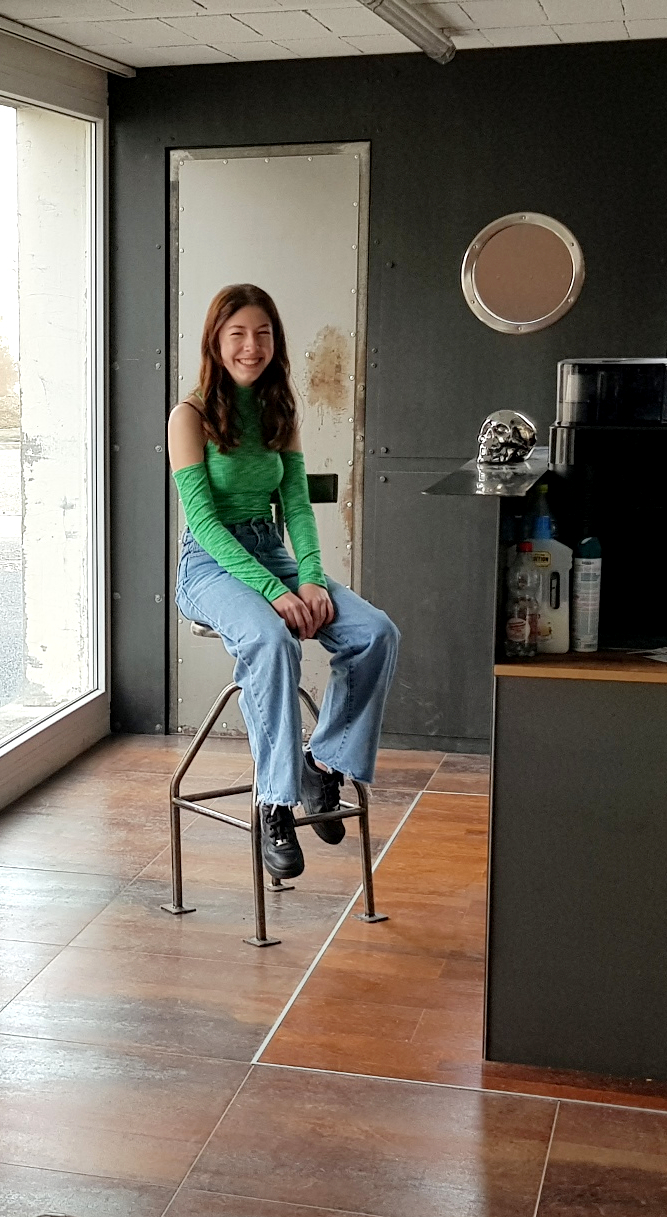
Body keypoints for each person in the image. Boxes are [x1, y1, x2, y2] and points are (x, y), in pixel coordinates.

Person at [168, 284, 400, 880]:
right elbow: (205, 524)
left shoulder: (281, 410)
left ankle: (322, 763)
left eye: (263, 334)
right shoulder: (188, 417)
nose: (252, 346)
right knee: (270, 639)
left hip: (273, 553)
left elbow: (296, 507)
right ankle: (274, 801)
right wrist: (277, 594)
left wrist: (314, 581)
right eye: (238, 334)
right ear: (216, 342)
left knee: (375, 632)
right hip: (209, 566)